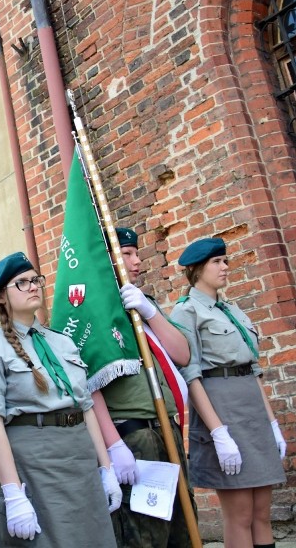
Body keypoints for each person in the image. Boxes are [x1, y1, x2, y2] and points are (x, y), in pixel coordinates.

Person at [0, 252, 121, 547]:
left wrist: (106, 468)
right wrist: (13, 493)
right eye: (22, 283)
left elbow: (86, 407)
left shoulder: (62, 341)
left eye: (35, 280)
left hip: (80, 457)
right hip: (36, 463)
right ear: (1, 297)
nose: (33, 286)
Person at [170, 238, 286, 548]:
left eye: (225, 260)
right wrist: (219, 433)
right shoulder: (186, 311)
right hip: (222, 413)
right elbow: (190, 375)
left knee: (262, 512)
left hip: (252, 412)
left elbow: (253, 369)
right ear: (196, 270)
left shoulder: (230, 309)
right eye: (217, 262)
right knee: (240, 514)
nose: (225, 266)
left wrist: (272, 424)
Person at [89, 227, 195, 547]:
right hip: (134, 438)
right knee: (145, 534)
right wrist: (112, 446)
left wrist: (149, 313)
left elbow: (182, 354)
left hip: (169, 430)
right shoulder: (95, 313)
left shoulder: (144, 303)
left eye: (136, 253)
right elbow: (88, 387)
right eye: (127, 254)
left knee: (183, 527)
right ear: (107, 260)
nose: (137, 261)